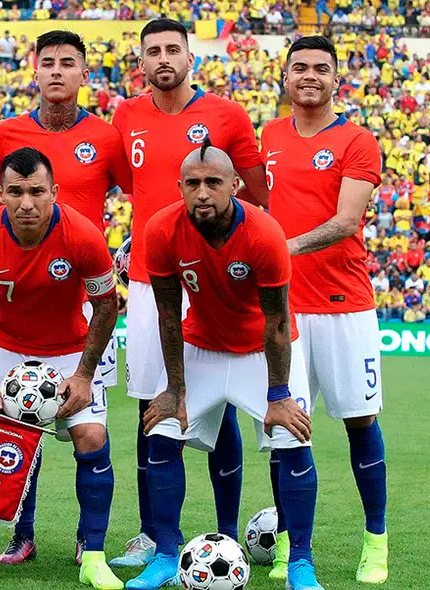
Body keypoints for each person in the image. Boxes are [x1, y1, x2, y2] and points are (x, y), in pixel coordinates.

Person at [109, 18, 270, 566]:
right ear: (142, 61)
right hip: (148, 279)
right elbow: (128, 186)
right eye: (153, 51)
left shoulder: (227, 115)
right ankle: (153, 535)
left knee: (221, 402)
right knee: (152, 406)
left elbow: (257, 194)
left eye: (172, 49)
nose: (163, 59)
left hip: (215, 280)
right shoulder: (126, 115)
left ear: (189, 57)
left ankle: (226, 532)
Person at [131, 144, 321, 590]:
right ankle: (165, 554)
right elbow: (167, 315)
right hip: (202, 346)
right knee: (161, 432)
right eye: (192, 183)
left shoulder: (264, 232)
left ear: (234, 185)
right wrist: (174, 389)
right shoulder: (161, 229)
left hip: (264, 352)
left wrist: (279, 395)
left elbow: (277, 322)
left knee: (293, 439)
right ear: (179, 187)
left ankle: (301, 562)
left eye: (213, 182)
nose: (202, 193)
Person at [0, 148, 120, 588]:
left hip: (70, 348)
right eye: (15, 192)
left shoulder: (83, 235)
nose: (26, 203)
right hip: (6, 345)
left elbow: (107, 305)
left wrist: (84, 375)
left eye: (37, 191)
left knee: (91, 436)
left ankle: (93, 554)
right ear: (0, 194)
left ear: (54, 191)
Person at [0, 30, 131, 564]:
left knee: (88, 430)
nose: (56, 71)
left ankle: (88, 541)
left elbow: (143, 193)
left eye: (68, 62)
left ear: (84, 73)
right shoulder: (5, 135)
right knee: (17, 427)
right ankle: (21, 534)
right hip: (21, 302)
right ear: (34, 71)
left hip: (86, 305)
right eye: (47, 62)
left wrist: (131, 250)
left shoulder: (107, 137)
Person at [261, 35, 387, 584]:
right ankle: (292, 547)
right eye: (299, 67)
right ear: (285, 77)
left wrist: (280, 248)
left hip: (344, 306)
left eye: (320, 68)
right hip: (282, 311)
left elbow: (346, 221)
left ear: (337, 78)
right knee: (285, 427)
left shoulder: (357, 140)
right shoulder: (268, 135)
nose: (309, 76)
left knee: (360, 420)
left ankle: (375, 541)